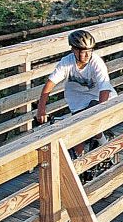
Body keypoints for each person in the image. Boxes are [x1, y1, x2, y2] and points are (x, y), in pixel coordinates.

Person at [36, 29, 117, 157]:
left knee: (93, 126)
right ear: (73, 49)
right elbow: (49, 85)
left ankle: (107, 149)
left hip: (100, 97)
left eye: (89, 52)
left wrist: (101, 111)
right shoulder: (66, 62)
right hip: (78, 102)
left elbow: (104, 87)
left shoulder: (96, 62)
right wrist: (41, 110)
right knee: (77, 136)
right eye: (82, 52)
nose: (86, 56)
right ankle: (79, 163)